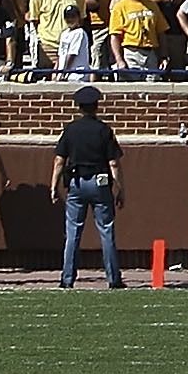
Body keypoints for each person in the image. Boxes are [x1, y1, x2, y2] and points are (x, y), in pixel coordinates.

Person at [50, 83, 124, 290]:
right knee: (106, 231)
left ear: (79, 107)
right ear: (96, 106)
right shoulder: (104, 130)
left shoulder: (71, 130)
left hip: (76, 182)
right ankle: (113, 278)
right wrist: (120, 188)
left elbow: (59, 160)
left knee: (73, 232)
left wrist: (54, 185)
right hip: (100, 182)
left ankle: (67, 279)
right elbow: (114, 163)